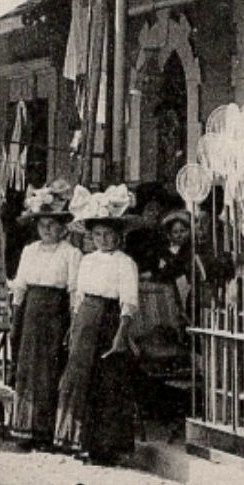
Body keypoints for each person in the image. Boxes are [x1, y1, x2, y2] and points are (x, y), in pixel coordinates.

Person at [53, 185, 141, 466]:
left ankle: (105, 448)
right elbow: (78, 296)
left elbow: (128, 302)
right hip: (85, 320)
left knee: (106, 385)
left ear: (118, 236)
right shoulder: (88, 261)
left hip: (109, 321)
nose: (103, 240)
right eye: (98, 235)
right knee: (80, 379)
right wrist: (74, 325)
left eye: (108, 234)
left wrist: (120, 336)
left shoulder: (125, 263)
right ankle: (79, 441)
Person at [6, 185, 82, 450]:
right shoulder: (30, 251)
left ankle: (46, 432)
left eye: (52, 225)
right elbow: (20, 286)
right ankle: (24, 429)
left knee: (50, 370)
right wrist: (16, 315)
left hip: (55, 312)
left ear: (63, 228)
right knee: (27, 369)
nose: (47, 230)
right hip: (31, 311)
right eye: (42, 225)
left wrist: (72, 322)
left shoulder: (71, 254)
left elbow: (74, 290)